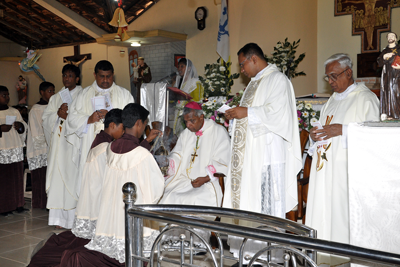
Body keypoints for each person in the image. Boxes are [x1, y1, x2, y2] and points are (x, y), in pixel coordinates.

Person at [28, 104, 162, 267]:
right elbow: (156, 187)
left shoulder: (111, 148)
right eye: (145, 124)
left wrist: (147, 142)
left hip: (110, 211)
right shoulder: (139, 154)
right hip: (126, 213)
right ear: (139, 123)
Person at [223, 43, 302, 262]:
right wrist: (234, 117)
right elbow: (248, 117)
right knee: (250, 202)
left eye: (242, 64)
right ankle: (247, 255)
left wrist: (245, 112)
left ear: (254, 59)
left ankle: (266, 256)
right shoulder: (254, 83)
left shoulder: (278, 80)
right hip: (249, 158)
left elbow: (278, 115)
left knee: (265, 205)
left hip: (267, 156)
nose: (241, 70)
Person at [306, 53, 379, 266]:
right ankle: (323, 256)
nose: (330, 82)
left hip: (345, 172)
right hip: (324, 170)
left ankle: (344, 257)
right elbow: (324, 128)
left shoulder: (366, 98)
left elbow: (374, 135)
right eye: (328, 77)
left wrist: (344, 130)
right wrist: (314, 135)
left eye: (334, 76)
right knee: (324, 212)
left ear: (349, 73)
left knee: (340, 215)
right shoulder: (331, 100)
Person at [65, 60, 134, 210]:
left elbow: (132, 120)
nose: (105, 80)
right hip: (91, 141)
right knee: (92, 181)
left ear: (113, 75)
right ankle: (90, 214)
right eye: (101, 76)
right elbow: (71, 119)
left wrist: (112, 116)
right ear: (95, 75)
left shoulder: (124, 94)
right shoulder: (83, 94)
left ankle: (113, 214)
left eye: (108, 76)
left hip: (116, 144)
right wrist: (88, 119)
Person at [43, 64, 83, 228]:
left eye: (70, 76)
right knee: (58, 179)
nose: (67, 79)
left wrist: (70, 117)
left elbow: (85, 117)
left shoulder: (83, 95)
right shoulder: (56, 97)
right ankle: (59, 220)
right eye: (64, 76)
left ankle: (74, 219)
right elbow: (45, 118)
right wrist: (57, 116)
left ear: (77, 78)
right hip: (59, 144)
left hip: (73, 145)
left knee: (73, 180)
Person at [26, 82, 55, 209]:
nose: (52, 94)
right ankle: (41, 203)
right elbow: (37, 131)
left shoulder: (54, 107)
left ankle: (51, 203)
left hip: (51, 145)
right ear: (42, 93)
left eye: (53, 91)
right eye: (50, 91)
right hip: (40, 148)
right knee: (41, 176)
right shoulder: (35, 110)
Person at [0, 86, 27, 216]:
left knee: (15, 178)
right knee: (3, 180)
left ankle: (17, 204)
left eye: (8, 95)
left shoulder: (14, 111)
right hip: (2, 149)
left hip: (15, 148)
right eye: (3, 95)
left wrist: (20, 126)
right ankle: (3, 207)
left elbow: (24, 128)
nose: (7, 97)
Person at [377, 32, 400, 120]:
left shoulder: (399, 49)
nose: (390, 37)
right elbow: (379, 62)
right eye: (389, 36)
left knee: (396, 93)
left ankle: (397, 115)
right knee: (387, 93)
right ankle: (389, 114)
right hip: (387, 75)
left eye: (392, 36)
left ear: (396, 38)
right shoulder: (385, 51)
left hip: (397, 75)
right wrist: (384, 57)